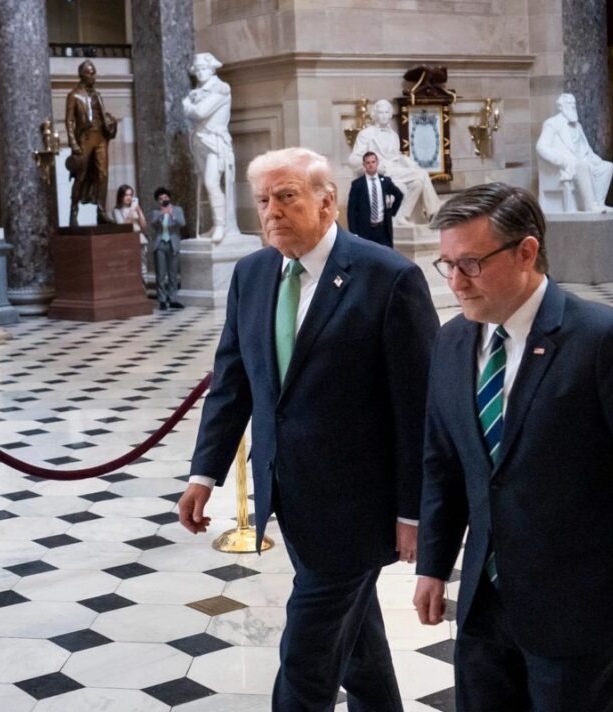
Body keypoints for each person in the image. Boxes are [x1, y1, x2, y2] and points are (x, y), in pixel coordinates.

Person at [413, 183, 613, 711]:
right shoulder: (453, 340)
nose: (455, 281)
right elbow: (444, 465)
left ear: (526, 252)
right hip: (484, 603)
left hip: (580, 610)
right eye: (446, 264)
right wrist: (432, 565)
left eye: (471, 264)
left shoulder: (605, 340)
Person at [177, 147, 439, 711]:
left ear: (327, 202)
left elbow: (419, 408)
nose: (271, 211)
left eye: (286, 196)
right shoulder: (252, 273)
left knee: (308, 657)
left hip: (359, 507)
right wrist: (205, 472)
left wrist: (413, 511)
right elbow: (232, 382)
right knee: (357, 639)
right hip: (288, 493)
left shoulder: (388, 278)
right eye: (263, 200)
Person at [348, 99, 441, 224]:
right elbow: (353, 159)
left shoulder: (393, 135)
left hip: (395, 169)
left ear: (391, 114)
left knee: (418, 183)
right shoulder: (366, 134)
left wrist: (409, 162)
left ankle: (402, 216)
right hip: (381, 171)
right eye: (381, 113)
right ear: (375, 114)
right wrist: (372, 166)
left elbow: (397, 156)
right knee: (422, 174)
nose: (384, 116)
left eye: (387, 112)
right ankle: (435, 213)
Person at [182, 52, 237, 244]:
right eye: (197, 70)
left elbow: (199, 112)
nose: (200, 73)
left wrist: (187, 103)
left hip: (216, 142)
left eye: (203, 69)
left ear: (211, 69)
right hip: (200, 141)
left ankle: (221, 225)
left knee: (212, 182)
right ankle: (216, 224)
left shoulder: (221, 88)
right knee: (207, 185)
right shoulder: (198, 91)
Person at [535, 93, 613, 212]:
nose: (572, 106)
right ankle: (591, 206)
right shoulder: (552, 123)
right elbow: (541, 147)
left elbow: (585, 147)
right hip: (565, 165)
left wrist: (595, 159)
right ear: (560, 107)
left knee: (607, 167)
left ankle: (599, 202)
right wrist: (562, 161)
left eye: (574, 104)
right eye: (569, 103)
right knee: (582, 166)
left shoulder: (578, 126)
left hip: (583, 161)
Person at [65, 60, 117, 226]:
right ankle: (73, 212)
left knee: (103, 174)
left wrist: (110, 121)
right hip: (85, 138)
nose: (93, 76)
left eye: (94, 72)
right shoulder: (74, 95)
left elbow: (101, 114)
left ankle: (101, 211)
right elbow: (69, 121)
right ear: (82, 74)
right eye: (90, 73)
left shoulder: (97, 95)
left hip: (101, 136)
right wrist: (73, 143)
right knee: (81, 175)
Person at [346, 152, 404, 248]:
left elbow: (399, 195)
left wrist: (391, 212)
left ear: (377, 163)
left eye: (373, 162)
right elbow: (351, 210)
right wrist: (353, 232)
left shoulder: (385, 181)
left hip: (383, 229)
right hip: (365, 230)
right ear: (364, 165)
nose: (371, 165)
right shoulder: (357, 184)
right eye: (368, 163)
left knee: (385, 258)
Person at [147, 187, 185, 311]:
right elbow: (152, 224)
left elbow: (182, 223)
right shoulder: (156, 212)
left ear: (169, 198)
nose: (163, 200)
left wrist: (172, 214)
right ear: (157, 201)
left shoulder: (177, 210)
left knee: (173, 274)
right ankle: (162, 300)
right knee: (161, 274)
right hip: (160, 244)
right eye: (160, 199)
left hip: (172, 244)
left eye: (165, 198)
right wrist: (161, 215)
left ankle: (173, 298)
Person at [112, 184, 150, 280]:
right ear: (121, 196)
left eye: (130, 195)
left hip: (140, 239)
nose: (129, 197)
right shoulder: (117, 210)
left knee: (143, 267)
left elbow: (144, 226)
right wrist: (131, 211)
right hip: (127, 240)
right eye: (126, 195)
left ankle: (144, 289)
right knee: (129, 266)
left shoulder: (135, 208)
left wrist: (139, 211)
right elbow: (123, 226)